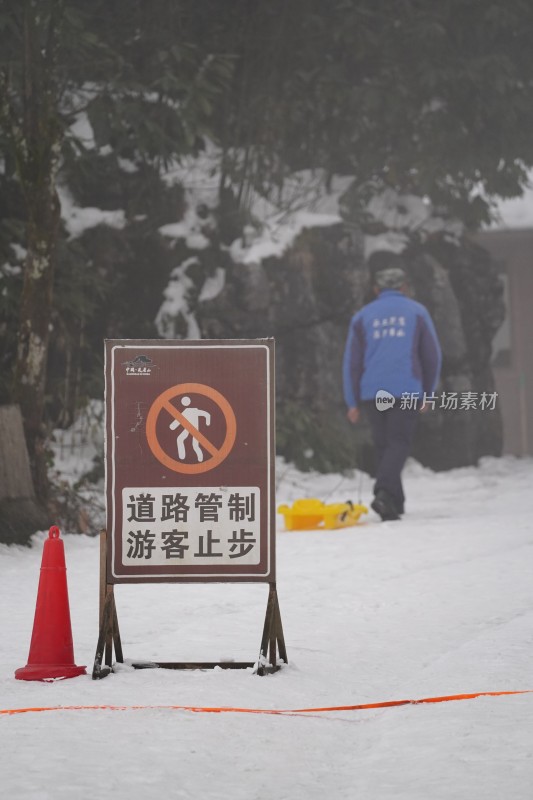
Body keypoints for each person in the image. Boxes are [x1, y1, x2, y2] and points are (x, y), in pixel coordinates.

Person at [342, 251, 442, 521]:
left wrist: (352, 402)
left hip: (374, 391)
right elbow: (432, 356)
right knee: (398, 442)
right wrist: (427, 393)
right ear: (404, 287)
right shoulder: (417, 312)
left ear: (376, 289)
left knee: (384, 444)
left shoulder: (362, 317)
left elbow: (352, 362)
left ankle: (394, 503)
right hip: (405, 388)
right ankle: (385, 492)